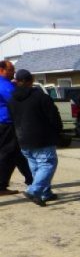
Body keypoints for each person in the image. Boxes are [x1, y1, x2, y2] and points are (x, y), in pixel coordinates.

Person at [7, 68, 62, 206]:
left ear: (17, 81)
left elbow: (12, 119)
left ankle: (45, 192)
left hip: (23, 139)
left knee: (36, 166)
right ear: (30, 81)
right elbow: (53, 116)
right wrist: (58, 130)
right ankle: (34, 190)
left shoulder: (12, 100)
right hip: (41, 138)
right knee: (48, 164)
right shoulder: (40, 97)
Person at [0, 60, 33, 195]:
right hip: (7, 123)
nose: (13, 72)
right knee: (7, 154)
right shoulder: (5, 86)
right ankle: (1, 185)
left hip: (6, 123)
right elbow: (19, 100)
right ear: (2, 70)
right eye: (11, 69)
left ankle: (31, 180)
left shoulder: (7, 84)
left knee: (17, 153)